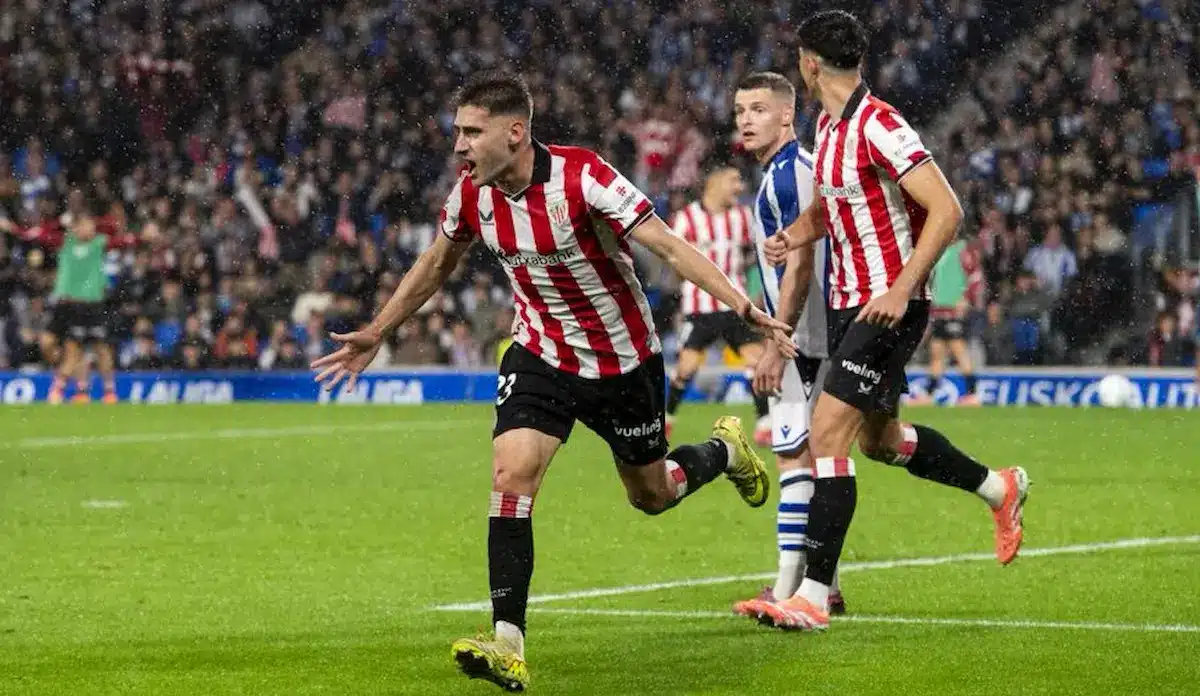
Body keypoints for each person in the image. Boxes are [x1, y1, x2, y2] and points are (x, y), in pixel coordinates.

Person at [310, 73, 794, 692]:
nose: (458, 145)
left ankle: (725, 450)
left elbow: (668, 247)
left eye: (471, 132)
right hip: (540, 352)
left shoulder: (582, 176)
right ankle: (507, 640)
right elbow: (437, 261)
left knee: (651, 494)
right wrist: (379, 329)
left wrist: (743, 307)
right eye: (457, 131)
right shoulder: (471, 195)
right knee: (511, 475)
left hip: (622, 359)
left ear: (515, 133)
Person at [756, 11, 1030, 631]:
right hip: (851, 300)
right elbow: (834, 209)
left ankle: (815, 596)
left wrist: (904, 288)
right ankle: (998, 488)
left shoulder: (880, 125)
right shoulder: (826, 127)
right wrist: (793, 236)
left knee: (826, 432)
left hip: (889, 303)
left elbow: (947, 209)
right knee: (878, 442)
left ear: (810, 63)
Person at [725, 72, 847, 619]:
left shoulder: (790, 176)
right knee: (820, 456)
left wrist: (779, 340)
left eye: (756, 109)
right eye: (738, 111)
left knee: (796, 456)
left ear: (785, 116)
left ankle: (785, 587)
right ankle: (827, 583)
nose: (745, 120)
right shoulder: (790, 171)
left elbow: (801, 265)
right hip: (814, 332)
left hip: (806, 337)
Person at [665, 166, 772, 445]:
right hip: (699, 308)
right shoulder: (687, 218)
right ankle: (668, 418)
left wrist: (753, 293)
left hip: (735, 305)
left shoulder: (742, 216)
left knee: (756, 361)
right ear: (714, 184)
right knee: (686, 368)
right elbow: (675, 260)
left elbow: (752, 255)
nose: (739, 186)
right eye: (733, 180)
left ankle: (764, 423)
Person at [2, 198, 134, 403]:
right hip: (67, 305)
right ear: (75, 227)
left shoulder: (99, 243)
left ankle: (106, 392)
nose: (89, 229)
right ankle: (75, 387)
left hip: (93, 305)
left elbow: (118, 232)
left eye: (91, 225)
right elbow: (37, 234)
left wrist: (140, 237)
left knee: (101, 349)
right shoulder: (65, 241)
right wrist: (56, 223)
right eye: (85, 225)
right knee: (66, 348)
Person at [913, 235, 984, 406]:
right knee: (937, 352)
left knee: (958, 349)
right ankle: (929, 394)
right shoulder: (939, 250)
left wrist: (966, 298)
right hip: (939, 310)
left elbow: (976, 276)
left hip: (954, 310)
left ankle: (973, 394)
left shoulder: (964, 250)